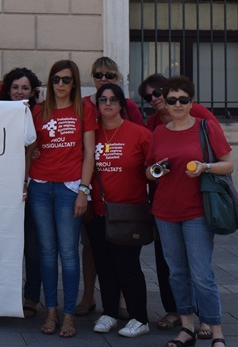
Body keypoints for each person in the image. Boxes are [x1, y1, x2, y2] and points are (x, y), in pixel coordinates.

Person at [145, 76, 232, 347]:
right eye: (172, 100)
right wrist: (156, 170)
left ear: (192, 102)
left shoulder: (206, 127)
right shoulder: (158, 132)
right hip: (165, 211)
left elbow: (228, 163)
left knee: (201, 275)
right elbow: (148, 171)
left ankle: (216, 334)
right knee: (176, 274)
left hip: (197, 211)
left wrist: (205, 167)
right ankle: (186, 327)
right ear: (165, 103)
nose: (178, 105)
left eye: (183, 100)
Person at [27, 60, 97, 338]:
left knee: (68, 254)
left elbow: (90, 153)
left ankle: (69, 315)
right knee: (46, 253)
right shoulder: (37, 111)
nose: (60, 84)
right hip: (40, 187)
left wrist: (84, 190)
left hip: (70, 189)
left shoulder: (85, 110)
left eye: (66, 80)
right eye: (55, 79)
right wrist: (24, 183)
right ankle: (51, 311)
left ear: (74, 83)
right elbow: (29, 148)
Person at [78, 57, 146, 319]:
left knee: (124, 256)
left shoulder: (129, 109)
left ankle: (126, 306)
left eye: (108, 75)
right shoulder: (84, 106)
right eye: (98, 75)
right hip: (91, 195)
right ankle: (91, 298)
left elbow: (141, 146)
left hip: (123, 200)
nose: (103, 80)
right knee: (94, 251)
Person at [0, 67, 43, 319]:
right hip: (3, 189)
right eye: (15, 87)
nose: (19, 92)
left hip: (31, 186)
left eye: (25, 88)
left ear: (32, 91)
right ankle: (7, 293)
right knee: (5, 243)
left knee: (32, 245)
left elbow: (34, 148)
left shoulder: (38, 113)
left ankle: (31, 296)